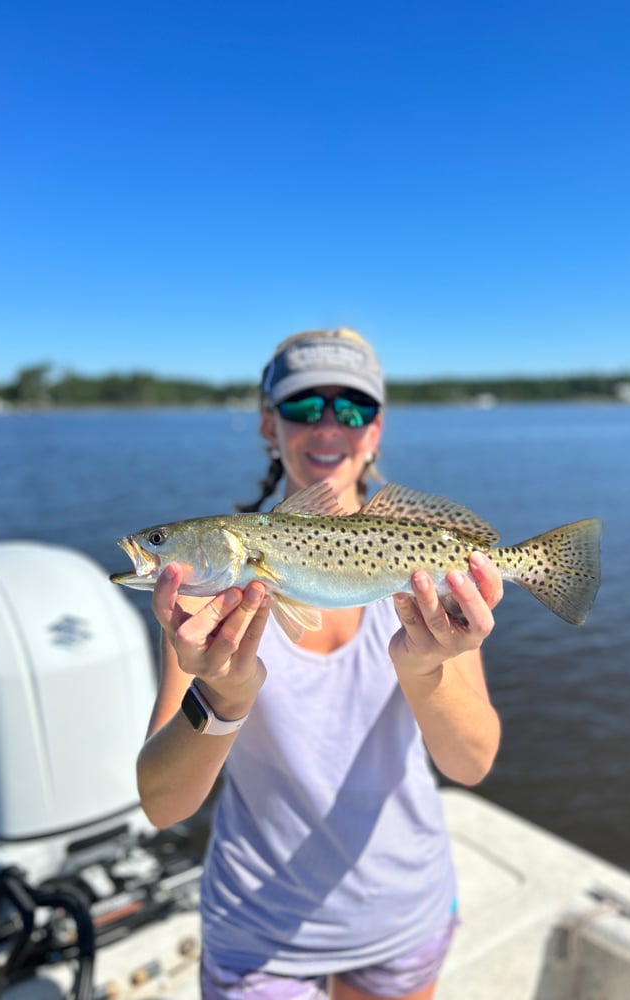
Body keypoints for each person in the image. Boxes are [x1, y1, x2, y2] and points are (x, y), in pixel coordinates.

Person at [137, 328, 503, 1000]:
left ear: (377, 430)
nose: (329, 425)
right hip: (257, 934)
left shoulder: (423, 574)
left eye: (353, 408)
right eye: (305, 408)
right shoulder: (205, 599)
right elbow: (163, 805)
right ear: (268, 426)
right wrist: (222, 698)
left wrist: (424, 670)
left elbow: (472, 763)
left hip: (402, 914)